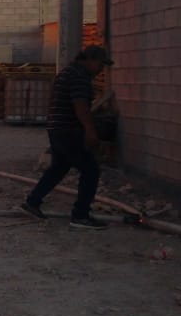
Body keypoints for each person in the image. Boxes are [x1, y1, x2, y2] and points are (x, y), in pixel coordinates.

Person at [20, 45, 114, 230]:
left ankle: (32, 202)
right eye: (101, 65)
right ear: (91, 60)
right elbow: (80, 105)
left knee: (59, 167)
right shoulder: (79, 77)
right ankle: (80, 215)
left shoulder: (66, 73)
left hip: (56, 129)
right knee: (90, 170)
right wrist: (90, 130)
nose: (101, 70)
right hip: (69, 130)